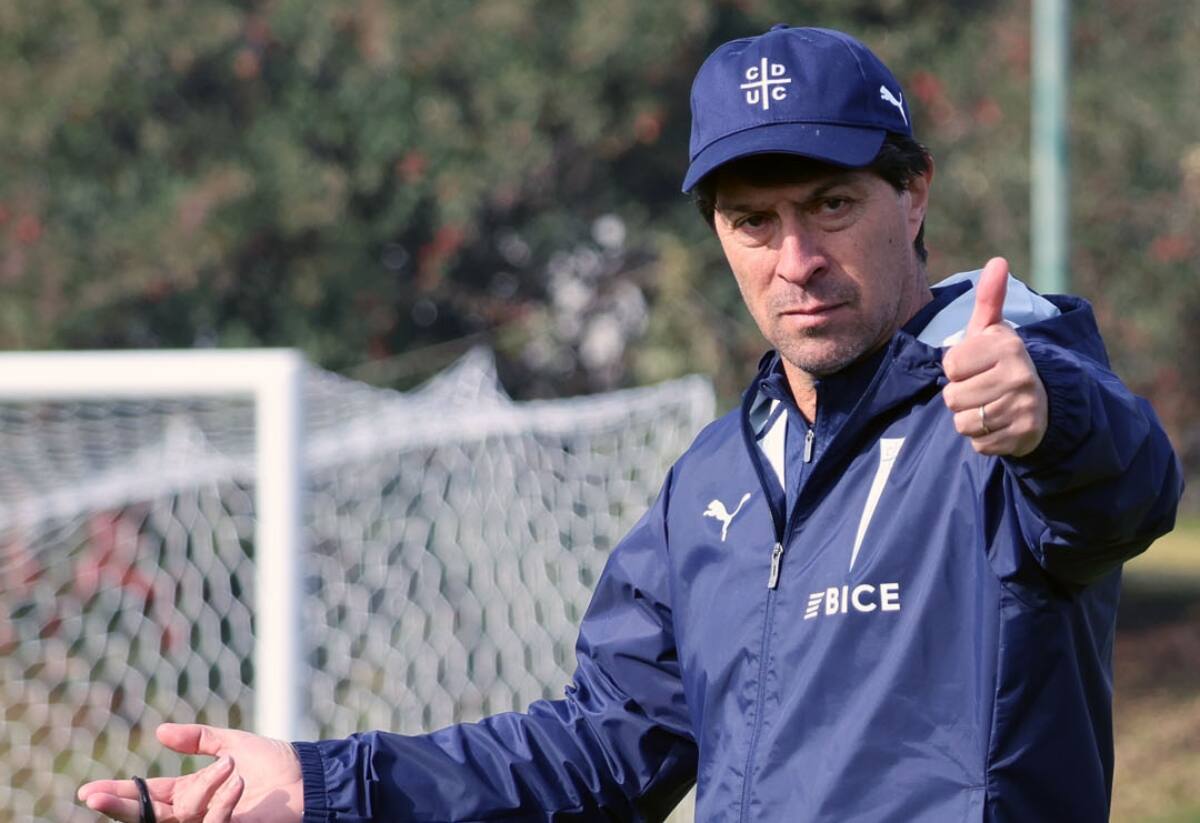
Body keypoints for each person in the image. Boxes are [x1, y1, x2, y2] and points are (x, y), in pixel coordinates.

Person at [79, 24, 1183, 823]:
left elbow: (1129, 491)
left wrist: (1052, 420)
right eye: (754, 221)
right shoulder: (715, 477)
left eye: (832, 206)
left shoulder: (1005, 400)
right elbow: (600, 750)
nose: (796, 259)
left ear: (916, 194)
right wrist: (325, 787)